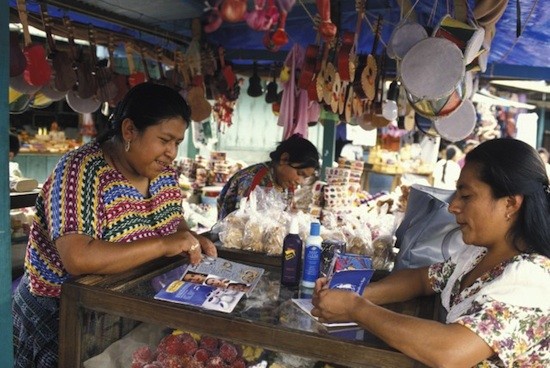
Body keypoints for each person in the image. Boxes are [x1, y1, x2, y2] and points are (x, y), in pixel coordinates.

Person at [12, 83, 217, 368]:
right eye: (164, 139)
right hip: (62, 315)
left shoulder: (164, 173)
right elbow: (78, 257)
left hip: (123, 308)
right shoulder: (82, 170)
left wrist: (191, 238)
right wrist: (163, 245)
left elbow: (174, 223)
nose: (172, 152)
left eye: (177, 143)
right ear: (129, 130)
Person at [312, 138, 550, 367]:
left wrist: (355, 307)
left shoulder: (533, 280)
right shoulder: (477, 256)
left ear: (510, 204)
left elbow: (450, 352)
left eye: (466, 196)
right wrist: (357, 294)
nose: (453, 205)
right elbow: (422, 280)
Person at [217, 134, 320, 220]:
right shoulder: (251, 178)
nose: (300, 181)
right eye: (300, 173)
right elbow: (238, 223)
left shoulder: (286, 185)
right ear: (284, 159)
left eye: (305, 177)